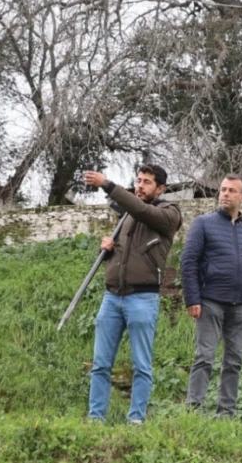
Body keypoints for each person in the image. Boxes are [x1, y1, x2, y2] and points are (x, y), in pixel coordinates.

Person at [83, 166, 182, 424]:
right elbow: (127, 256)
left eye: (147, 182)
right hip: (112, 298)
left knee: (141, 366)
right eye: (138, 181)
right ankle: (95, 419)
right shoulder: (126, 217)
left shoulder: (169, 214)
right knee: (101, 364)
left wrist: (107, 184)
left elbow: (140, 210)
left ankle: (135, 420)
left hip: (143, 299)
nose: (140, 186)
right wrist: (108, 251)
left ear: (160, 188)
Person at [180, 175, 242, 418]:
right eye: (223, 189)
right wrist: (193, 299)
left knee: (234, 361)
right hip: (210, 301)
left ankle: (226, 413)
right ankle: (194, 412)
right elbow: (188, 262)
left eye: (231, 191)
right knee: (204, 357)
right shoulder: (203, 223)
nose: (225, 194)